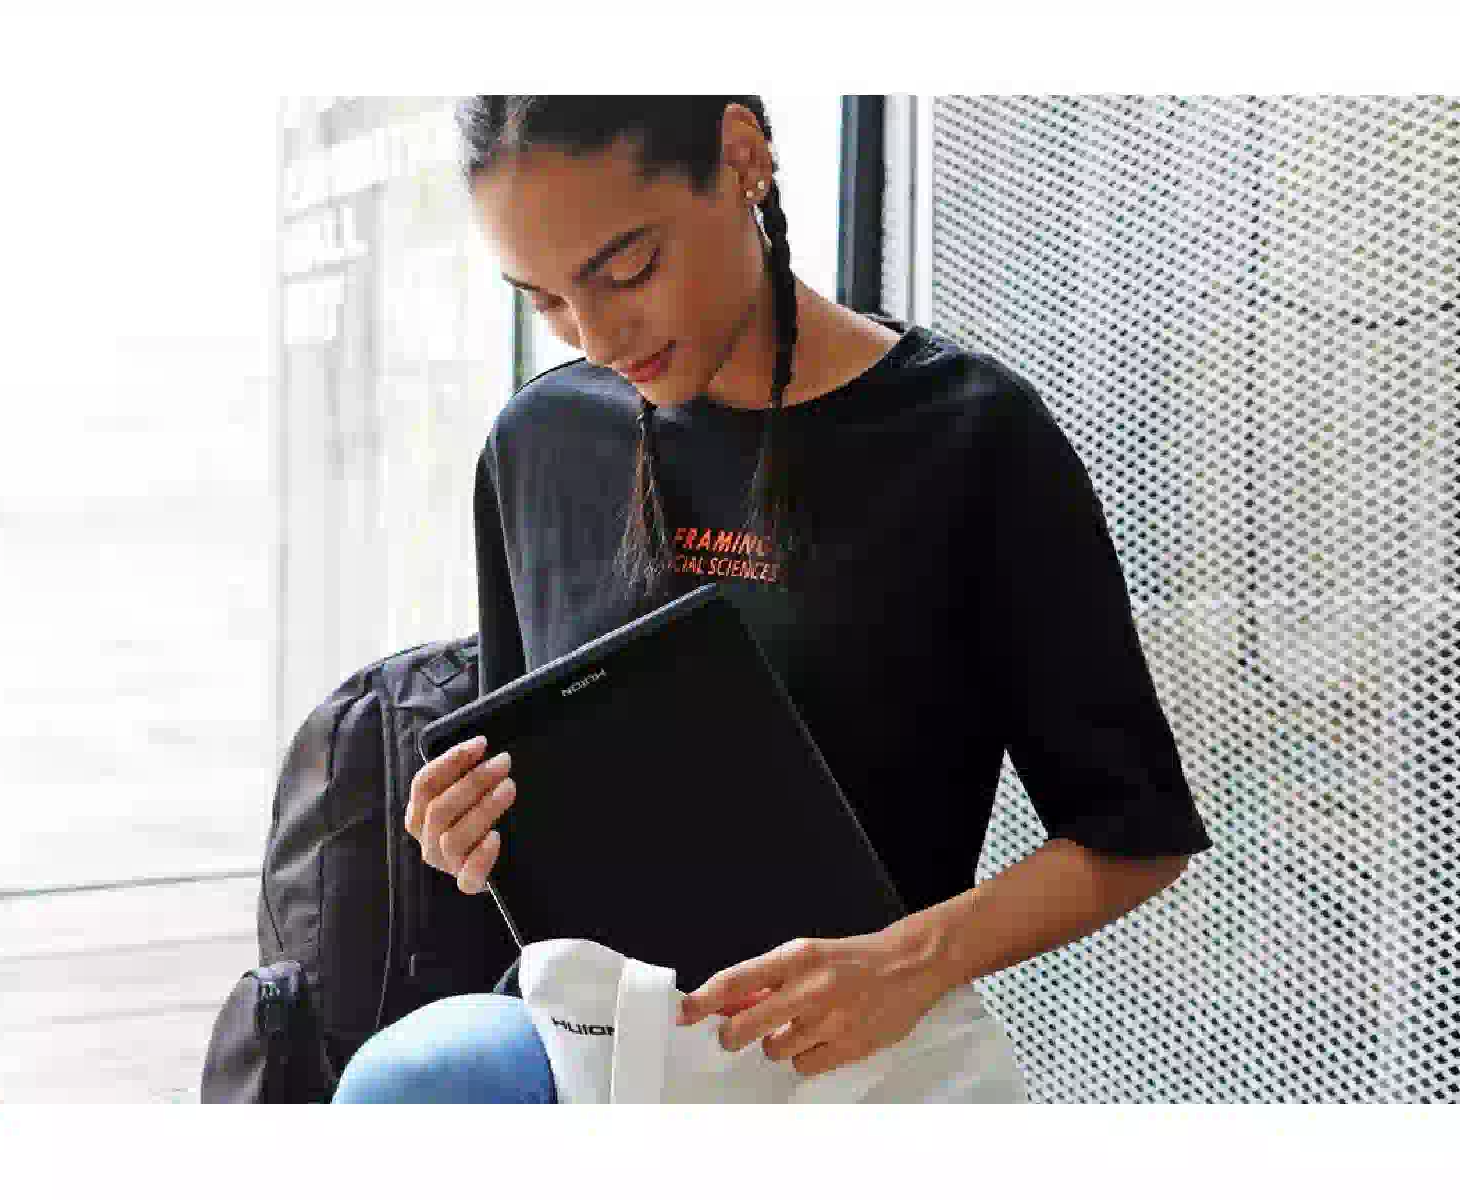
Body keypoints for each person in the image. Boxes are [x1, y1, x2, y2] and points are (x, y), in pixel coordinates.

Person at [331, 96, 1213, 1104]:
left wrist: (908, 961)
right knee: (411, 1083)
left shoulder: (970, 438)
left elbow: (1132, 838)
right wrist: (470, 834)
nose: (599, 335)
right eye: (547, 302)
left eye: (629, 270)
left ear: (741, 156)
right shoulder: (538, 442)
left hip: (843, 1062)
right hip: (594, 1044)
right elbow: (532, 799)